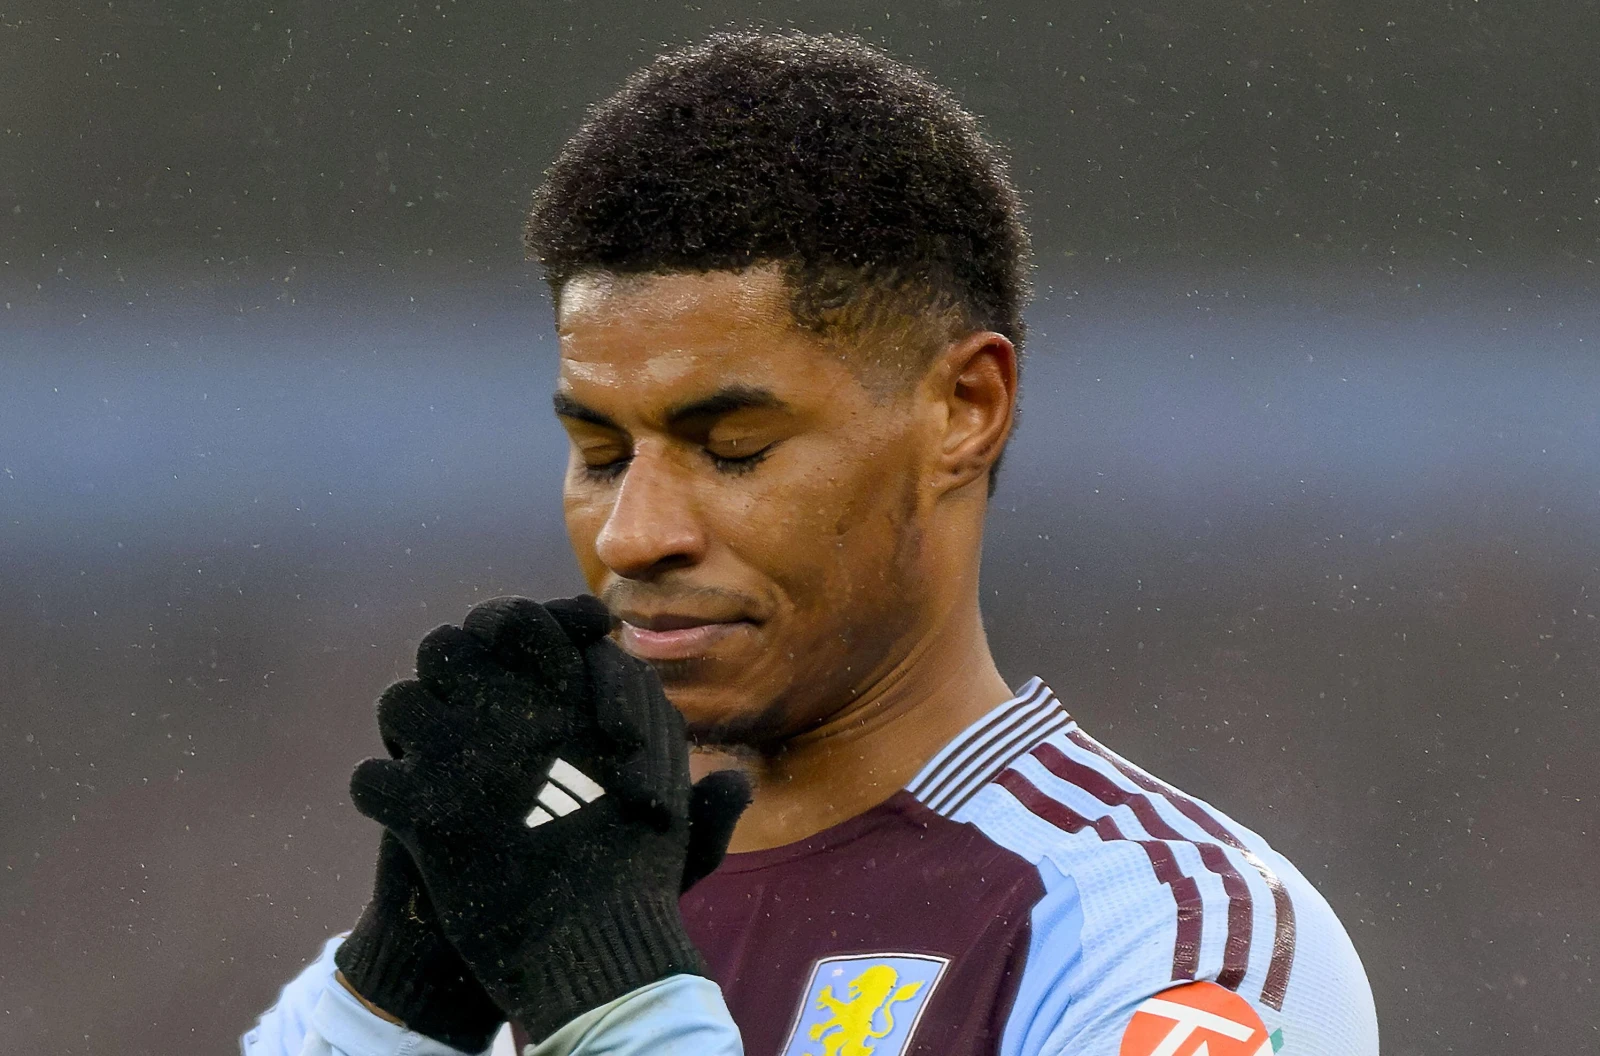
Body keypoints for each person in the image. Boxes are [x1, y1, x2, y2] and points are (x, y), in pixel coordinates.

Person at [243, 30, 1379, 1056]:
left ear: (963, 411)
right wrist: (393, 1003)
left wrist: (619, 1011)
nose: (636, 534)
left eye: (732, 446)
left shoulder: (1171, 938)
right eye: (599, 452)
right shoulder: (547, 914)